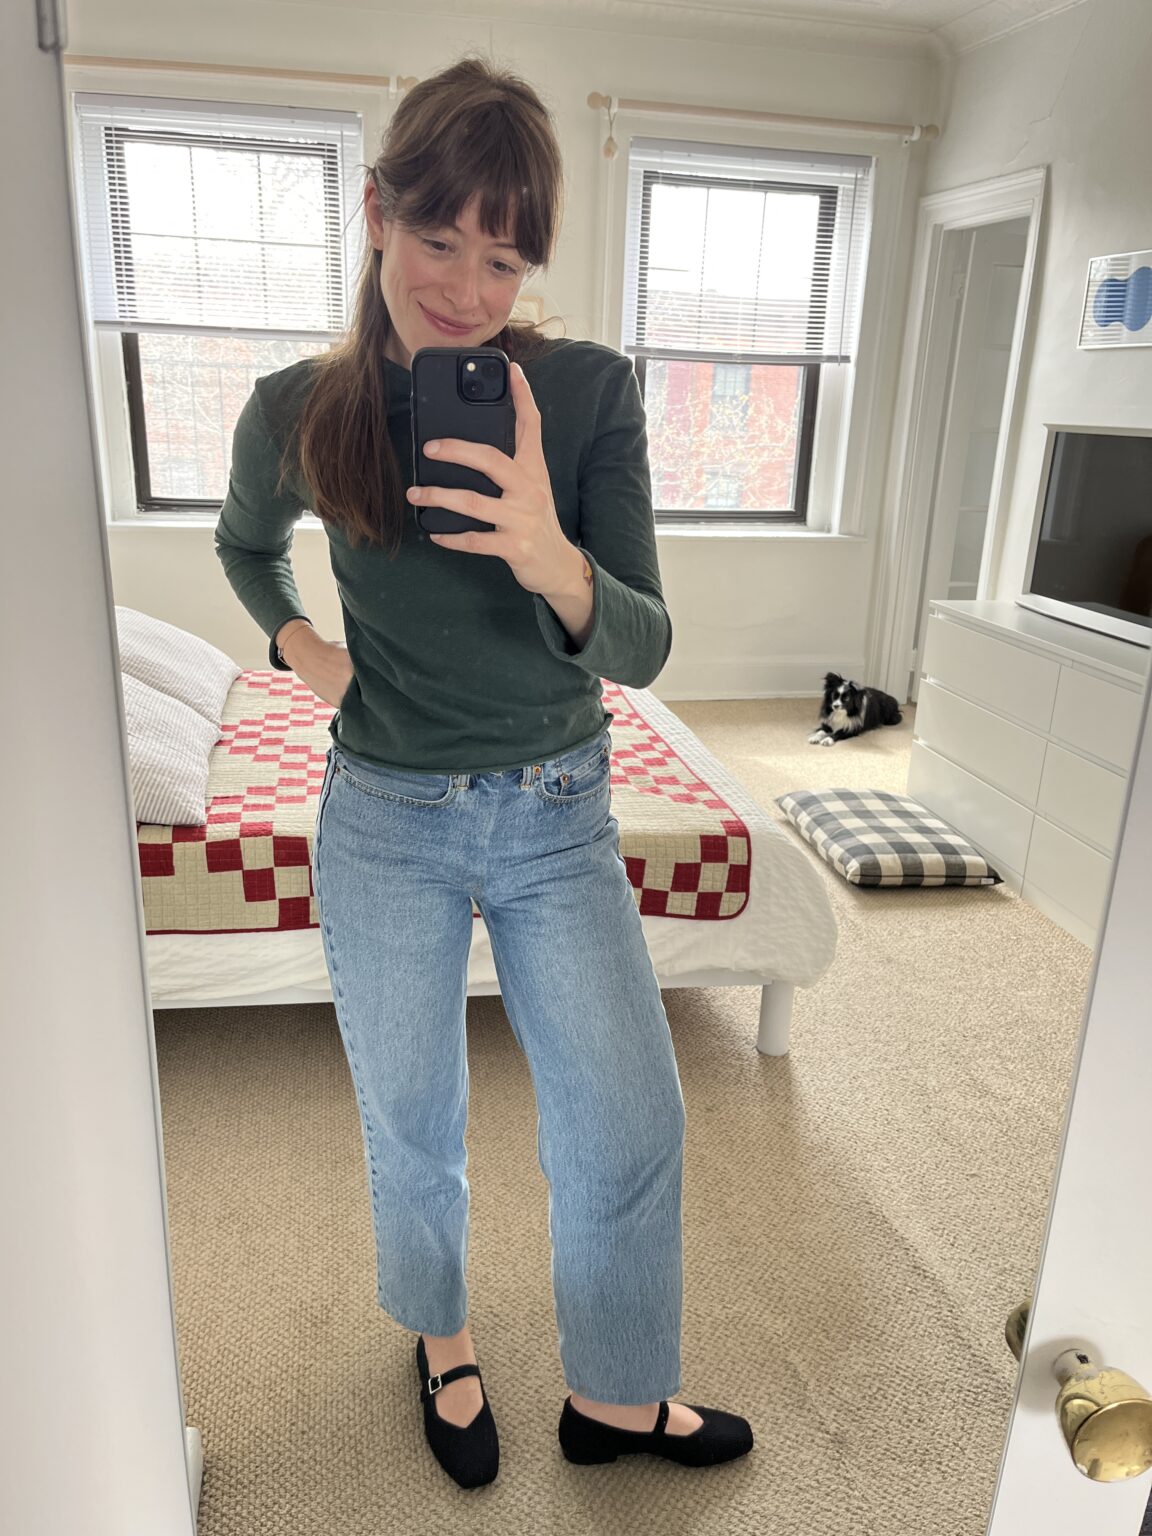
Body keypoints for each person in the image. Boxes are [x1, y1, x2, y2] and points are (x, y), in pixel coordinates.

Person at [214, 54, 753, 1490]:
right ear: (379, 211)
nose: (466, 287)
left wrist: (546, 551)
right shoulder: (296, 411)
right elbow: (242, 545)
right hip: (381, 818)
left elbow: (638, 641)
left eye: (502, 259)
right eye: (439, 239)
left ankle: (618, 1400)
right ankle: (441, 1344)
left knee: (630, 1122)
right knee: (415, 1122)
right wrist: (305, 654)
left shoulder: (584, 396)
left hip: (560, 816)